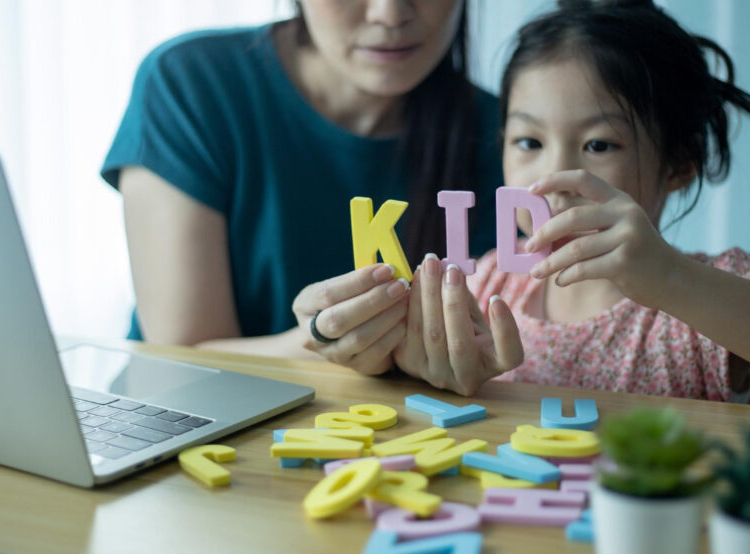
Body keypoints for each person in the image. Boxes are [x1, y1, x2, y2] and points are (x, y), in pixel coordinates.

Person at [394, 0, 750, 419]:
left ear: (679, 164)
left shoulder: (712, 291)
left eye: (599, 145)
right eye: (529, 141)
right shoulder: (482, 288)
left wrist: (670, 279)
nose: (553, 178)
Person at [101, 1, 507, 379]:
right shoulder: (189, 84)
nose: (390, 13)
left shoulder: (517, 136)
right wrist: (326, 341)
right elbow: (181, 359)